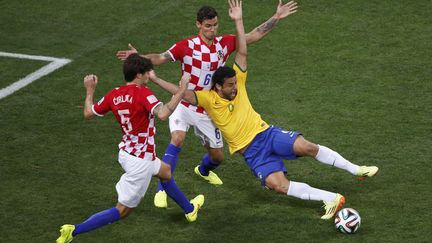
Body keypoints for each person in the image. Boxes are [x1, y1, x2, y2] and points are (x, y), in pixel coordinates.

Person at [151, 0, 379, 220]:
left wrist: (244, 20)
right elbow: (185, 94)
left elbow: (243, 51)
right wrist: (156, 78)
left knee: (307, 146)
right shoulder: (207, 99)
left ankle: (356, 169)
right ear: (218, 86)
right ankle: (332, 199)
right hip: (251, 152)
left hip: (266, 133)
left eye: (235, 83)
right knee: (277, 185)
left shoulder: (236, 79)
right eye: (230, 86)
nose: (235, 88)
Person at [117, 0, 299, 209]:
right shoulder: (186, 46)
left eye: (215, 25)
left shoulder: (225, 43)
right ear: (198, 25)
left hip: (209, 108)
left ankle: (203, 171)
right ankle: (161, 189)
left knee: (217, 156)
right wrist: (139, 57)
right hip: (185, 102)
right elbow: (160, 57)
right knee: (177, 138)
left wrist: (276, 17)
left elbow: (252, 36)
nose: (212, 30)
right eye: (208, 26)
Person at [56, 54, 204, 243]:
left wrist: (90, 90)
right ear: (139, 75)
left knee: (165, 172)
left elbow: (88, 112)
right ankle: (74, 231)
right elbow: (163, 114)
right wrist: (182, 89)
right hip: (140, 161)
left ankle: (190, 210)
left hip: (127, 152)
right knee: (122, 210)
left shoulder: (113, 94)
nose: (149, 77)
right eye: (147, 74)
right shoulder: (143, 93)